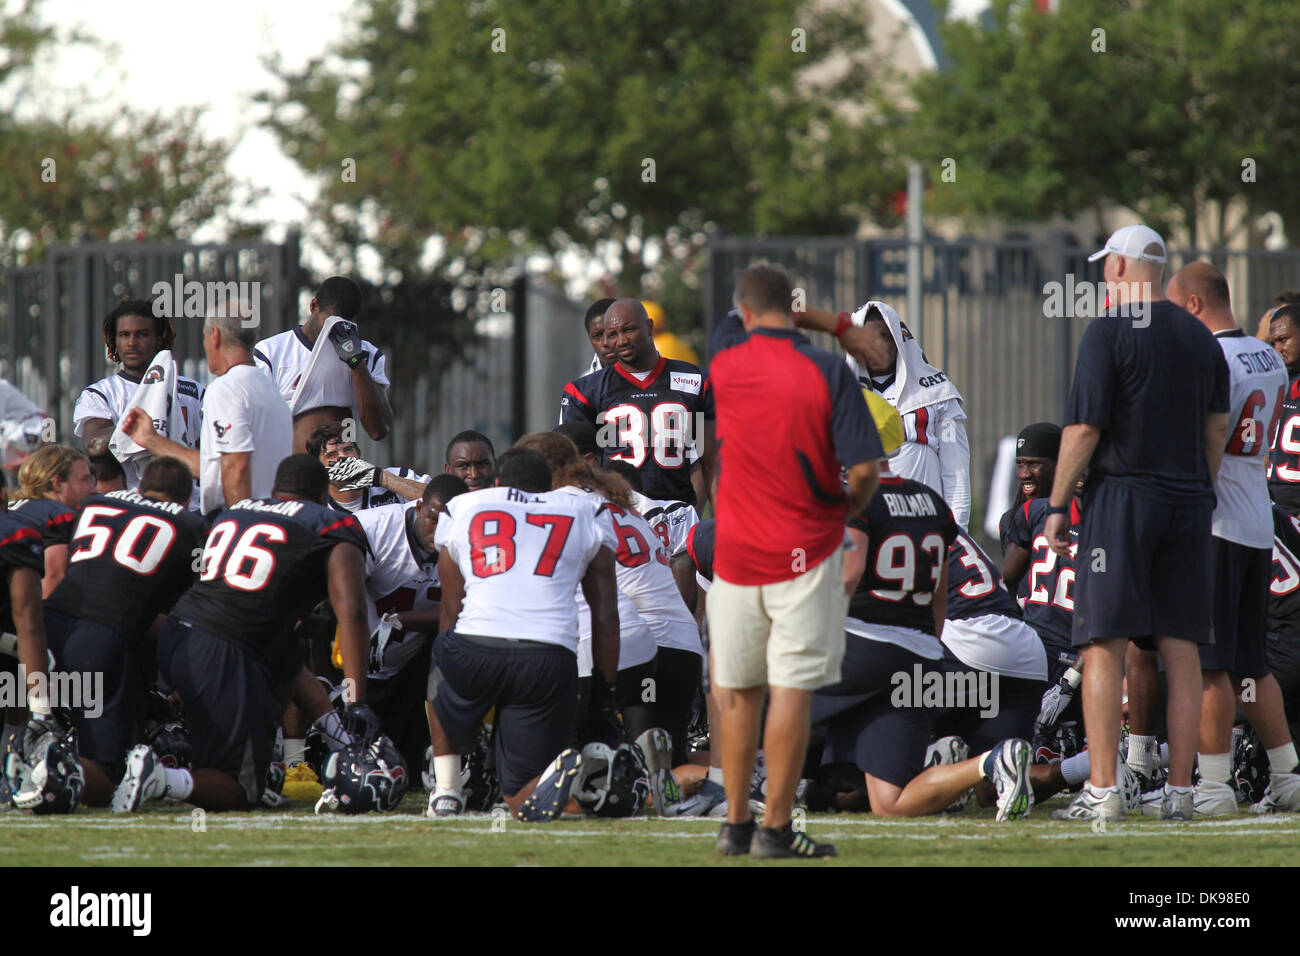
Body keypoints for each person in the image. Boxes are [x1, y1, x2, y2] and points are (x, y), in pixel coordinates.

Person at [1045, 224, 1229, 822]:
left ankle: (1104, 790)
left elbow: (1082, 430)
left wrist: (1054, 504)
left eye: (1107, 264)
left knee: (1104, 644)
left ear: (1121, 268)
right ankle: (1180, 791)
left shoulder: (1106, 330)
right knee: (1181, 650)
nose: (1103, 274)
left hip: (1123, 500)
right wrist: (1197, 489)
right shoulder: (1201, 339)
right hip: (1189, 503)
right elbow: (1215, 431)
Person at [708, 261, 883, 858]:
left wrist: (827, 320)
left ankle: (734, 824)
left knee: (736, 691)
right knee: (790, 692)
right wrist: (843, 329)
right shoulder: (829, 370)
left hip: (733, 554)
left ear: (746, 310)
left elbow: (742, 317)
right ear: (792, 307)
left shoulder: (724, 357)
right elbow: (864, 471)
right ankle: (775, 831)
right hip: (806, 551)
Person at [813, 392, 1033, 820]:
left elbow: (849, 571)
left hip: (863, 647)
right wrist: (926, 645)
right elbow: (937, 592)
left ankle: (735, 785)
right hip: (917, 655)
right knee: (889, 803)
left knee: (752, 681)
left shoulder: (855, 499)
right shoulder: (931, 502)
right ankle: (991, 762)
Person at [112, 455, 374, 812]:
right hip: (224, 651)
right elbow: (353, 613)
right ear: (321, 495)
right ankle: (161, 779)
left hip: (178, 634)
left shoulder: (234, 512)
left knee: (287, 649)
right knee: (239, 792)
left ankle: (275, 766)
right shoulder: (329, 524)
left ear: (276, 490)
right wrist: (356, 700)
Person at [424, 447, 621, 821]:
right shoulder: (585, 510)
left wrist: (457, 699)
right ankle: (573, 783)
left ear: (496, 483)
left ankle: (446, 789)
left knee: (440, 656)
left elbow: (451, 608)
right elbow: (605, 615)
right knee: (519, 797)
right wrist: (605, 690)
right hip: (548, 657)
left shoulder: (463, 507)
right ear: (548, 489)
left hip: (474, 649)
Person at [1167, 261, 1300, 814]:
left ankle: (1215, 787)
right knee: (1253, 662)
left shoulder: (1210, 356)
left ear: (1195, 305)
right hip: (1256, 521)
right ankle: (1289, 777)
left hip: (1216, 520)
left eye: (1177, 309)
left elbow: (1208, 436)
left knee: (1213, 662)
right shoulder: (1268, 354)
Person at [43, 457, 204, 806]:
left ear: (141, 486)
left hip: (49, 621)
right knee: (109, 771)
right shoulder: (190, 524)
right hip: (101, 637)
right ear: (186, 500)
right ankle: (45, 773)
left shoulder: (95, 503)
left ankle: (28, 763)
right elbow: (195, 613)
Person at [124, 301, 293, 519]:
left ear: (214, 335)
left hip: (241, 523)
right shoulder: (271, 391)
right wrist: (152, 439)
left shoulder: (226, 388)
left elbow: (236, 466)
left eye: (204, 336)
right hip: (272, 519)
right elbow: (216, 468)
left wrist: (238, 529)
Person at [355, 474, 468, 773]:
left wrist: (403, 620)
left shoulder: (469, 536)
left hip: (412, 669)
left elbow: (465, 610)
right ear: (418, 508)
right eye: (433, 519)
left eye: (449, 523)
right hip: (358, 667)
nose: (440, 531)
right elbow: (339, 598)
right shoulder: (375, 528)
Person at [559, 298, 714, 509]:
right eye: (612, 335)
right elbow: (573, 469)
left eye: (629, 330)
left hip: (680, 515)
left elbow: (710, 461)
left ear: (649, 327)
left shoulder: (696, 381)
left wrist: (710, 517)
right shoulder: (585, 391)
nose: (621, 341)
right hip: (618, 516)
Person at [843, 301, 972, 529]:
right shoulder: (840, 400)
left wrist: (956, 537)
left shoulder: (938, 395)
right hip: (863, 532)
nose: (877, 345)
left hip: (923, 529)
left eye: (885, 336)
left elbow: (956, 474)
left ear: (899, 339)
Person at [254, 276, 393, 453]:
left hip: (341, 472)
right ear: (313, 307)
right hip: (290, 468)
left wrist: (357, 363)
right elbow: (256, 425)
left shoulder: (367, 355)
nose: (332, 332)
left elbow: (377, 431)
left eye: (342, 325)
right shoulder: (272, 352)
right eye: (329, 322)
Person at [73, 298, 202, 481]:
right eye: (124, 335)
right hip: (134, 503)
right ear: (114, 340)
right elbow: (94, 445)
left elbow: (208, 451)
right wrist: (140, 428)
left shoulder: (192, 390)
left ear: (158, 339)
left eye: (142, 334)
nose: (131, 343)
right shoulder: (101, 394)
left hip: (190, 504)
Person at [8, 445, 95, 598]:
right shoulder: (58, 515)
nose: (93, 488)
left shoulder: (12, 507)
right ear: (57, 483)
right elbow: (54, 577)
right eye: (85, 479)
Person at [305, 422, 430, 512]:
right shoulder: (314, 507)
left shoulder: (398, 476)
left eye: (348, 449)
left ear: (358, 453)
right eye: (332, 454)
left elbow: (440, 502)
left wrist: (383, 479)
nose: (344, 458)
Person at [1267, 304, 1300, 517]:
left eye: (1284, 339)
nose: (1277, 349)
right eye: (1273, 343)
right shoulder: (1273, 384)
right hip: (1271, 511)